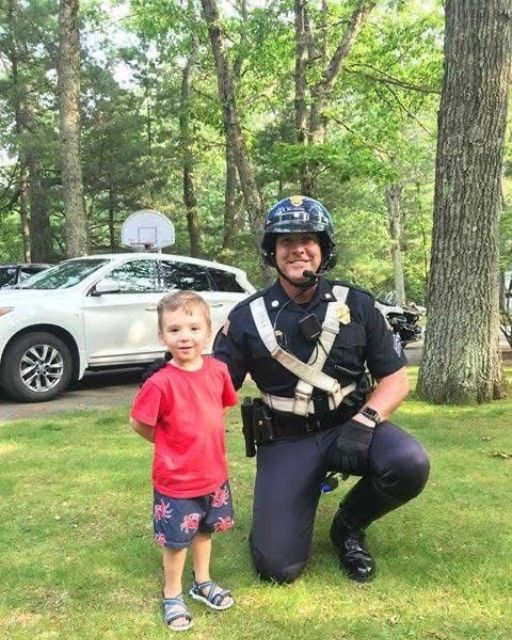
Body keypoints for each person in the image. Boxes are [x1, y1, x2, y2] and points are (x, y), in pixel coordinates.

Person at [213, 195, 430, 584]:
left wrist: (366, 421)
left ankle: (348, 525)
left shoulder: (358, 305)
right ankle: (289, 500)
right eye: (286, 241)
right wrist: (177, 372)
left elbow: (395, 381)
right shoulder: (246, 318)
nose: (298, 249)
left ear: (324, 249)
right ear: (272, 251)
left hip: (352, 426)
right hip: (286, 439)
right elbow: (214, 389)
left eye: (308, 239)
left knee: (409, 463)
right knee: (277, 568)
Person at [130, 291, 238, 631]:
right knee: (177, 542)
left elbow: (222, 405)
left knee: (205, 531)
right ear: (162, 336)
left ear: (208, 332)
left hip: (213, 475)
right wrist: (170, 443)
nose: (185, 337)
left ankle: (202, 582)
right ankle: (172, 593)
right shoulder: (159, 383)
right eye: (174, 329)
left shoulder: (219, 371)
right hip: (176, 482)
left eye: (193, 328)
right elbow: (139, 422)